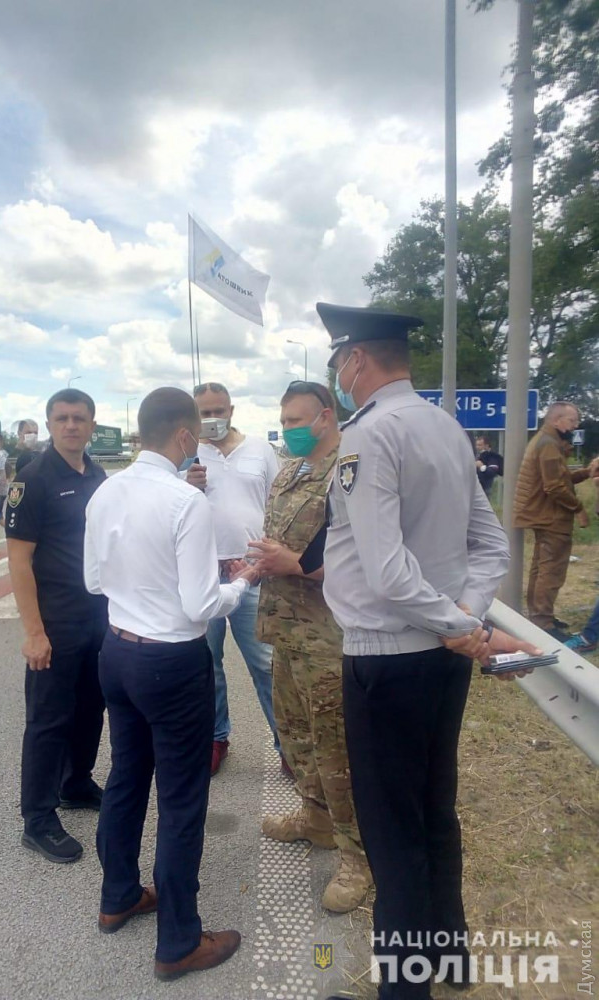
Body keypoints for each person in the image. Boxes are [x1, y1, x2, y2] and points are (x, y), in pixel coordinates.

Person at [319, 302, 515, 999]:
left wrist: (453, 623)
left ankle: (404, 989)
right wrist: (463, 619)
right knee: (435, 810)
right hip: (442, 658)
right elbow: (491, 546)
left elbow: (386, 570)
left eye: (339, 363)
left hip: (386, 658)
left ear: (356, 361)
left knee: (392, 830)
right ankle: (449, 959)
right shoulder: (445, 427)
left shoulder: (368, 435)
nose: (339, 376)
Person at [84, 386, 257, 981]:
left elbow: (93, 580)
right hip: (171, 661)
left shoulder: (106, 491)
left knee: (127, 776)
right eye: (196, 436)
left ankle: (118, 895)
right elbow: (200, 604)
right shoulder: (186, 501)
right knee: (182, 799)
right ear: (184, 436)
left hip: (117, 652)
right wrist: (242, 582)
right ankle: (179, 941)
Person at [248, 380, 372, 914]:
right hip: (286, 630)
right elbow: (281, 538)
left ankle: (357, 856)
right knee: (297, 738)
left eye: (296, 421)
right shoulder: (290, 471)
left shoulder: (350, 471)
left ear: (325, 416)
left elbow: (365, 555)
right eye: (284, 421)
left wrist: (296, 565)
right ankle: (315, 818)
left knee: (336, 751)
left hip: (328, 636)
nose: (288, 430)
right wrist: (259, 563)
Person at [6, 388, 108, 864]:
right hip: (55, 622)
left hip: (97, 618)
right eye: (62, 418)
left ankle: (75, 783)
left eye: (79, 418)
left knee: (90, 708)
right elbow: (19, 562)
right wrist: (34, 632)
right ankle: (38, 819)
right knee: (48, 720)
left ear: (91, 426)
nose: (71, 425)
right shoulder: (32, 480)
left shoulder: (98, 476)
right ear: (49, 424)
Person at [186, 381, 281, 775]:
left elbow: (279, 503)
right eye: (204, 413)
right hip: (202, 571)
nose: (212, 419)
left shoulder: (260, 450)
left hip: (251, 570)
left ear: (231, 410)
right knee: (206, 664)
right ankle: (215, 736)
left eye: (218, 410)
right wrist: (185, 484)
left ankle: (288, 743)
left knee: (267, 663)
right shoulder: (186, 454)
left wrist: (268, 559)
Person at [513, 402, 599, 640]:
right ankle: (543, 623)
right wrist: (579, 509)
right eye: (572, 420)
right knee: (551, 571)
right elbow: (555, 487)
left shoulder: (547, 441)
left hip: (542, 514)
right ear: (556, 420)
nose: (576, 425)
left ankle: (540, 617)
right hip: (551, 517)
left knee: (541, 569)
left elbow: (561, 478)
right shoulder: (549, 445)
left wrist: (586, 472)